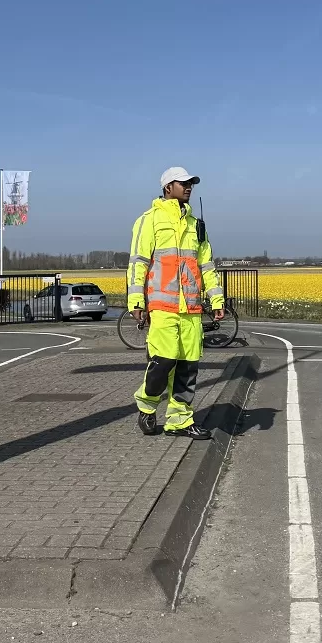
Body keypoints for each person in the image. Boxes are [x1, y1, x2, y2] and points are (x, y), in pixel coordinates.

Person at [127, 167, 226, 440]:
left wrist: (216, 298)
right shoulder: (149, 220)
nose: (189, 187)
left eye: (191, 183)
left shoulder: (197, 225)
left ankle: (180, 420)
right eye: (183, 183)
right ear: (168, 186)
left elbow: (207, 265)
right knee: (163, 362)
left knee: (187, 367)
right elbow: (138, 263)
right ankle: (146, 405)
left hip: (191, 309)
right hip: (162, 306)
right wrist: (136, 300)